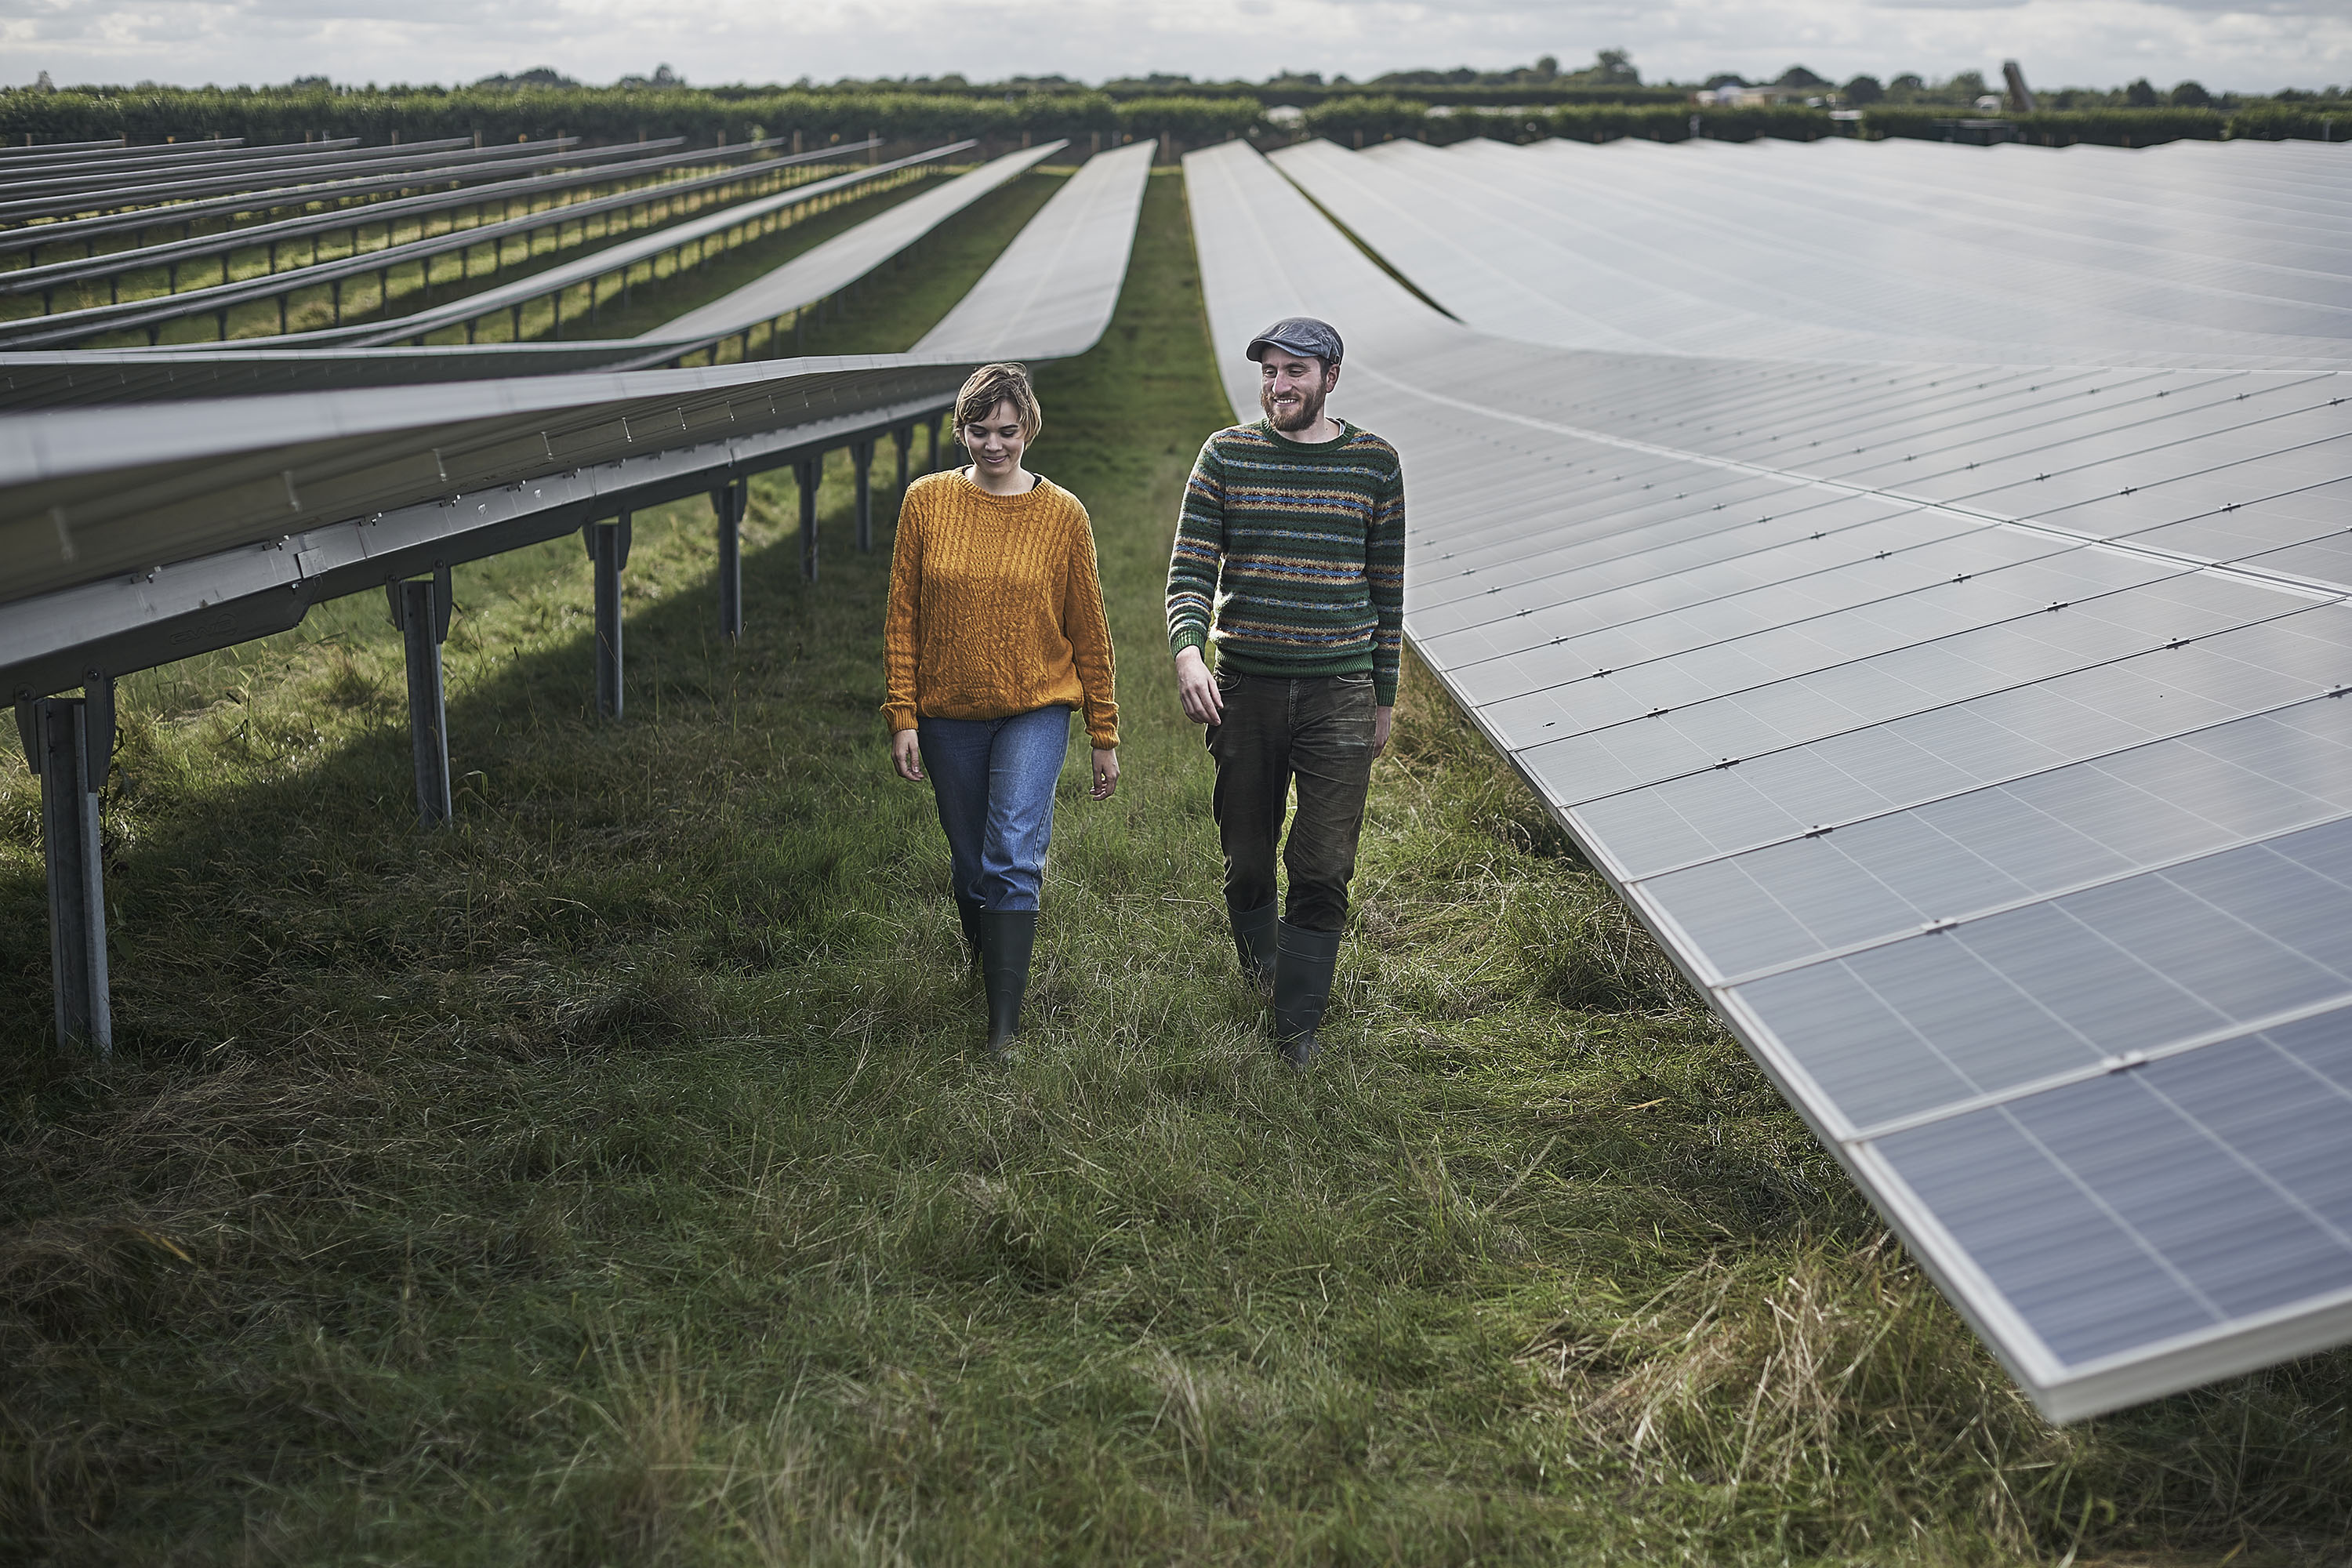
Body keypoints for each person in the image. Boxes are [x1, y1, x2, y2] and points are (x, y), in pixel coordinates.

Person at [1166, 317, 1405, 1067]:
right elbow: (1190, 571)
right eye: (1269, 372)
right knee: (1245, 856)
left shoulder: (1375, 465)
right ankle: (1264, 970)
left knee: (1325, 861)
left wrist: (1385, 697)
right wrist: (1188, 653)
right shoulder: (1226, 456)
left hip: (1341, 688)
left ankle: (1297, 1028)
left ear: (1330, 377)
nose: (1279, 385)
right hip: (1246, 689)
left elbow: (1388, 590)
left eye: (1294, 371)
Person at [884, 362, 1119, 1057]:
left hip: (1035, 706)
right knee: (971, 864)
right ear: (960, 431)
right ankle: (988, 965)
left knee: (1013, 852)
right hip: (948, 712)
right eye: (979, 431)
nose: (994, 444)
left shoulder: (1062, 514)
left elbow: (1089, 626)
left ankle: (1003, 1028)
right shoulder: (925, 502)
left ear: (1029, 428)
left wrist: (1103, 730)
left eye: (1007, 430)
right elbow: (903, 616)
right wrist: (903, 714)